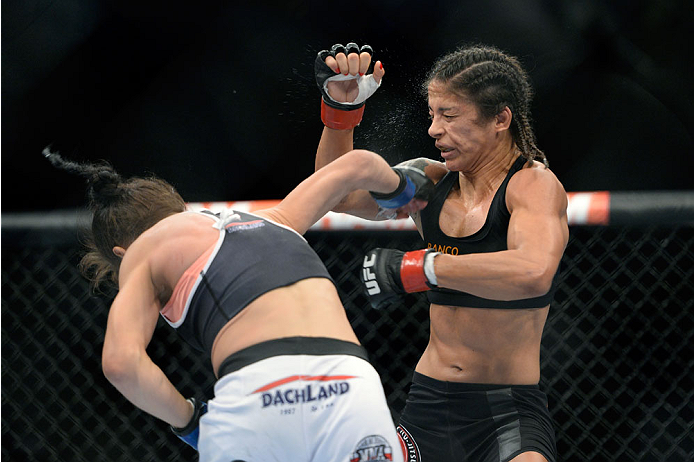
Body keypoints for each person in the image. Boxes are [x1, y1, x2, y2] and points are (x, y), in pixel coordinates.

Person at [44, 145, 434, 462]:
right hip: (350, 387)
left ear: (119, 251)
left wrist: (189, 422)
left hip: (257, 394)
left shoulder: (143, 251)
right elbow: (358, 164)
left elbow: (120, 362)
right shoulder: (275, 219)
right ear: (180, 207)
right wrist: (402, 191)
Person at [314, 43, 568, 462]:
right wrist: (340, 113)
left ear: (500, 119)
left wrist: (423, 267)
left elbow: (533, 270)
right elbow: (336, 196)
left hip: (506, 412)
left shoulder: (532, 185)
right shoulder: (430, 183)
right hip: (427, 406)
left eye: (449, 116)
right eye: (433, 114)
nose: (433, 130)